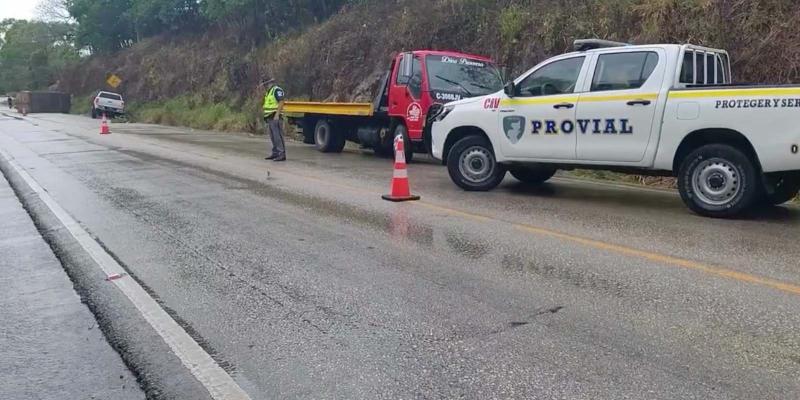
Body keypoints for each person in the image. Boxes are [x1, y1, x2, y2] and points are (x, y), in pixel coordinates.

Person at [261, 78, 286, 161]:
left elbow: (281, 101)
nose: (265, 86)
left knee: (277, 136)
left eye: (266, 84)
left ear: (270, 83)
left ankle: (281, 154)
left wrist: (277, 115)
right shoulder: (269, 92)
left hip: (275, 117)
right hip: (270, 118)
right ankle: (275, 153)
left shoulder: (276, 90)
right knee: (273, 137)